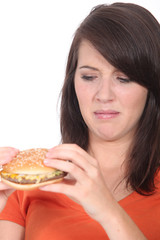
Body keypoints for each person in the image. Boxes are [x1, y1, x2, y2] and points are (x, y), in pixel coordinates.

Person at [0, 2, 160, 239]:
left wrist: (108, 210)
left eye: (123, 78)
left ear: (151, 85)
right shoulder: (29, 184)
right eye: (89, 76)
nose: (104, 95)